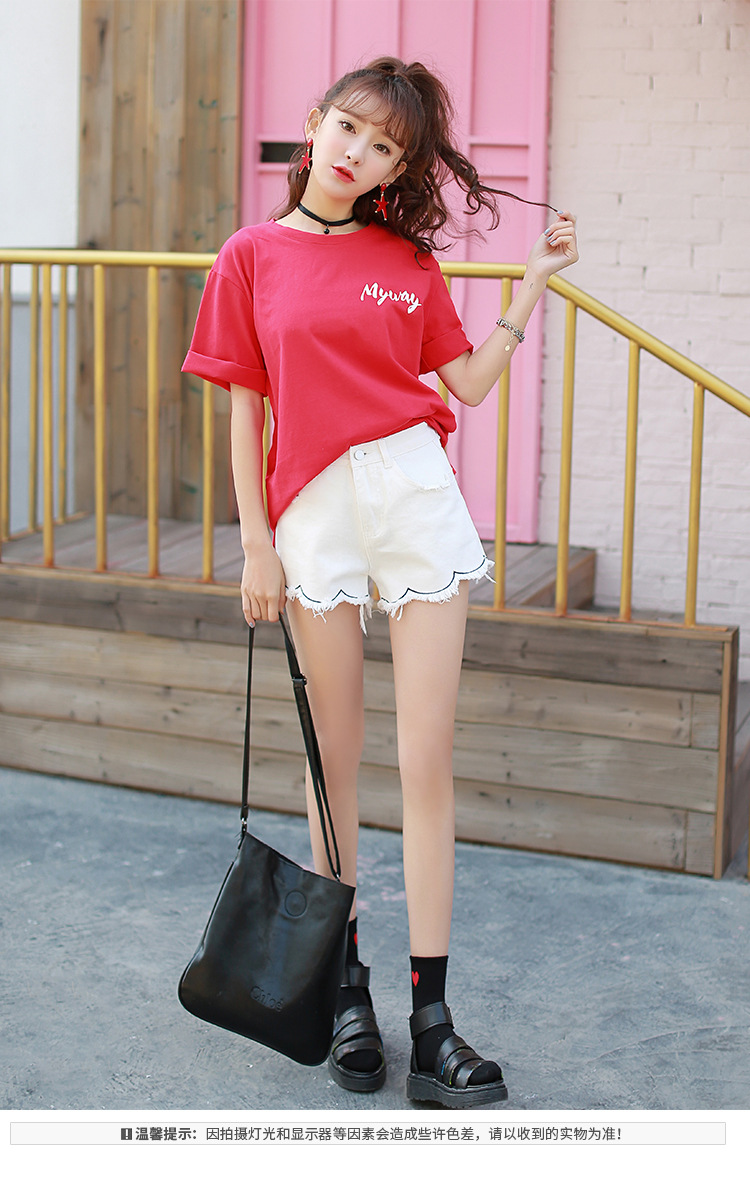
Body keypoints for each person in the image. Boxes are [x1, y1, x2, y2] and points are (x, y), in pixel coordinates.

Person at [183, 56, 578, 1108]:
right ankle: (346, 992)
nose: (360, 152)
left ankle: (433, 1020)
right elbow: (244, 410)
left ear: (399, 169)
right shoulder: (250, 255)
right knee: (336, 769)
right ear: (316, 123)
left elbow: (468, 384)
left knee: (426, 763)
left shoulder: (405, 259)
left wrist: (533, 284)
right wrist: (256, 545)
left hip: (414, 505)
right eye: (351, 128)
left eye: (387, 146)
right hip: (312, 521)